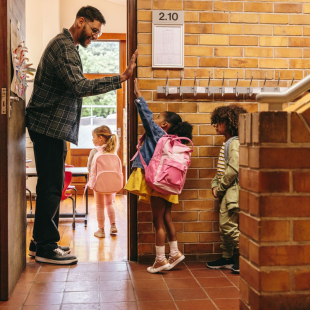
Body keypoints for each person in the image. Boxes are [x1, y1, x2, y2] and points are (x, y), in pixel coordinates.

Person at [25, 5, 138, 265]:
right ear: (80, 21)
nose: (95, 36)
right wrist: (120, 78)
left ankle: (42, 241)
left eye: (98, 33)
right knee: (52, 186)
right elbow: (79, 86)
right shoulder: (64, 47)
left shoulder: (69, 46)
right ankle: (44, 247)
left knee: (53, 185)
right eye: (94, 31)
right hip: (48, 126)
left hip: (53, 127)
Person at [125, 79, 193, 274]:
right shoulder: (175, 141)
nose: (154, 121)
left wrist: (138, 94)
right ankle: (174, 253)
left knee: (157, 221)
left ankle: (160, 260)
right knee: (167, 217)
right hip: (171, 183)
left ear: (164, 124)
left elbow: (146, 116)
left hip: (159, 182)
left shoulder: (159, 134)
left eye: (158, 119)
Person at [206, 105, 247, 274]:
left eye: (219, 122)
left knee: (227, 225)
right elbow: (221, 170)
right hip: (225, 189)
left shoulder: (235, 142)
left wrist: (221, 188)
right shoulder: (228, 142)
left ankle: (246, 258)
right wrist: (215, 185)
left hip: (232, 190)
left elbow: (234, 168)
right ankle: (227, 257)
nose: (215, 125)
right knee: (224, 227)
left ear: (230, 123)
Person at [87, 125, 119, 238]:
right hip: (110, 182)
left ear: (100, 138)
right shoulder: (113, 151)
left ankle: (101, 230)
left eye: (93, 137)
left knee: (99, 205)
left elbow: (89, 168)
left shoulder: (94, 151)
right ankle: (113, 225)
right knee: (109, 203)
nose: (92, 139)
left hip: (98, 183)